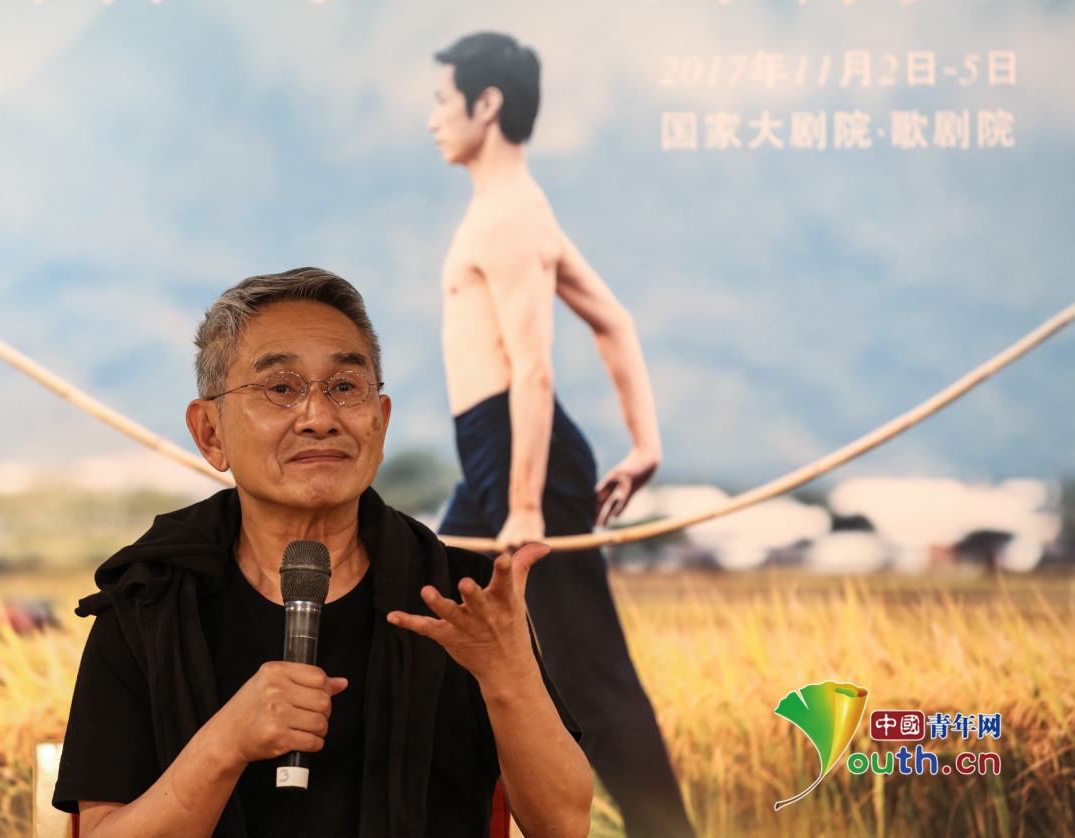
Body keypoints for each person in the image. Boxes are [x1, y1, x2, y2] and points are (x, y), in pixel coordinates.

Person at [51, 267, 592, 837]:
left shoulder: (462, 596)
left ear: (379, 423)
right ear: (210, 432)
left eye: (345, 387)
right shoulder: (148, 599)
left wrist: (507, 676)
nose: (319, 418)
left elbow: (563, 826)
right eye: (281, 388)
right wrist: (225, 742)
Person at [428, 33, 696, 837]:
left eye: (442, 101)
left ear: (486, 105)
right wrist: (644, 444)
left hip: (522, 460)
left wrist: (522, 506)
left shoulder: (508, 219)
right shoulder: (514, 208)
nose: (432, 118)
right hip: (495, 459)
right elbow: (614, 320)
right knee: (426, 630)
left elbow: (533, 369)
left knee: (590, 677)